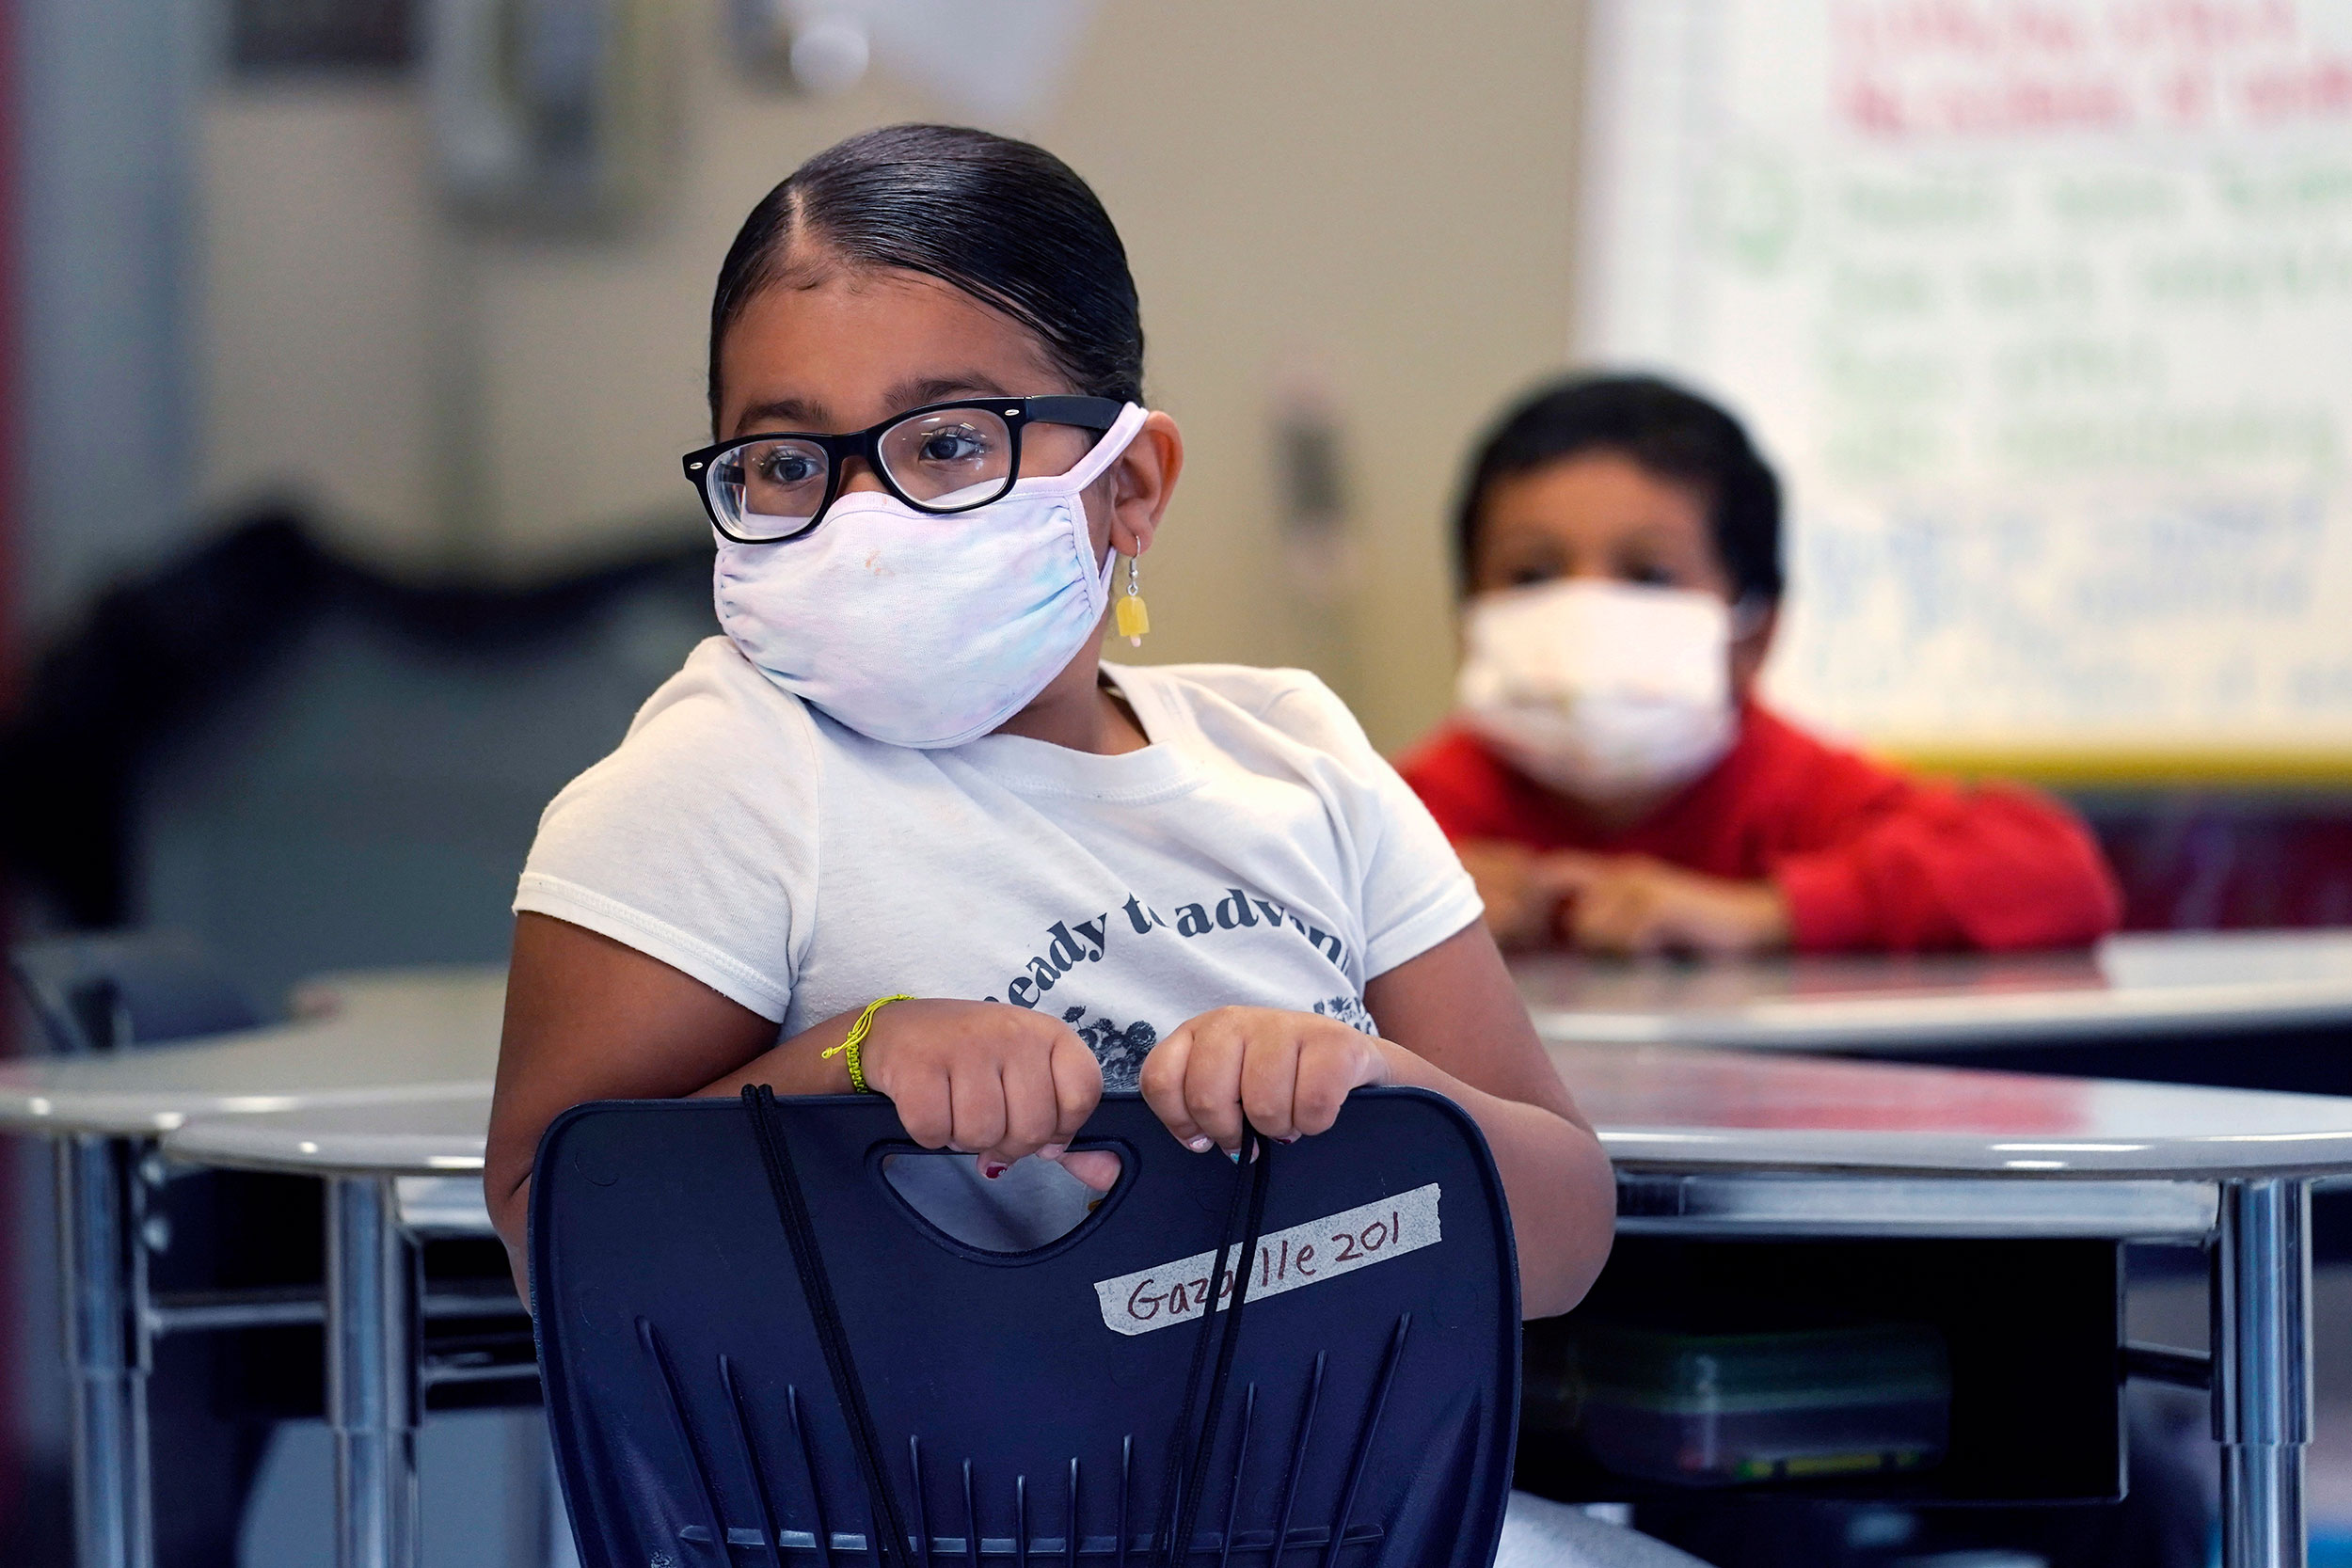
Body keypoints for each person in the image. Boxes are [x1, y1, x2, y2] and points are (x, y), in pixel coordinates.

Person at [485, 125, 1671, 1567]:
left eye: (947, 443)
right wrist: (851, 1062)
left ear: (1133, 485)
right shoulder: (718, 777)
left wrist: (1377, 1084)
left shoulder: (1298, 754)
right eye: (790, 459)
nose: (862, 521)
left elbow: (1562, 1240)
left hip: (1340, 1526)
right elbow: (560, 1226)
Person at [1400, 374, 2122, 957]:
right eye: (1531, 574)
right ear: (1467, 616)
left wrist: (1764, 911)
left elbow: (2057, 873)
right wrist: (1402, 917)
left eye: (1648, 575)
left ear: (1755, 632)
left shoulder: (1796, 791)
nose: (1584, 609)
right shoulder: (1403, 818)